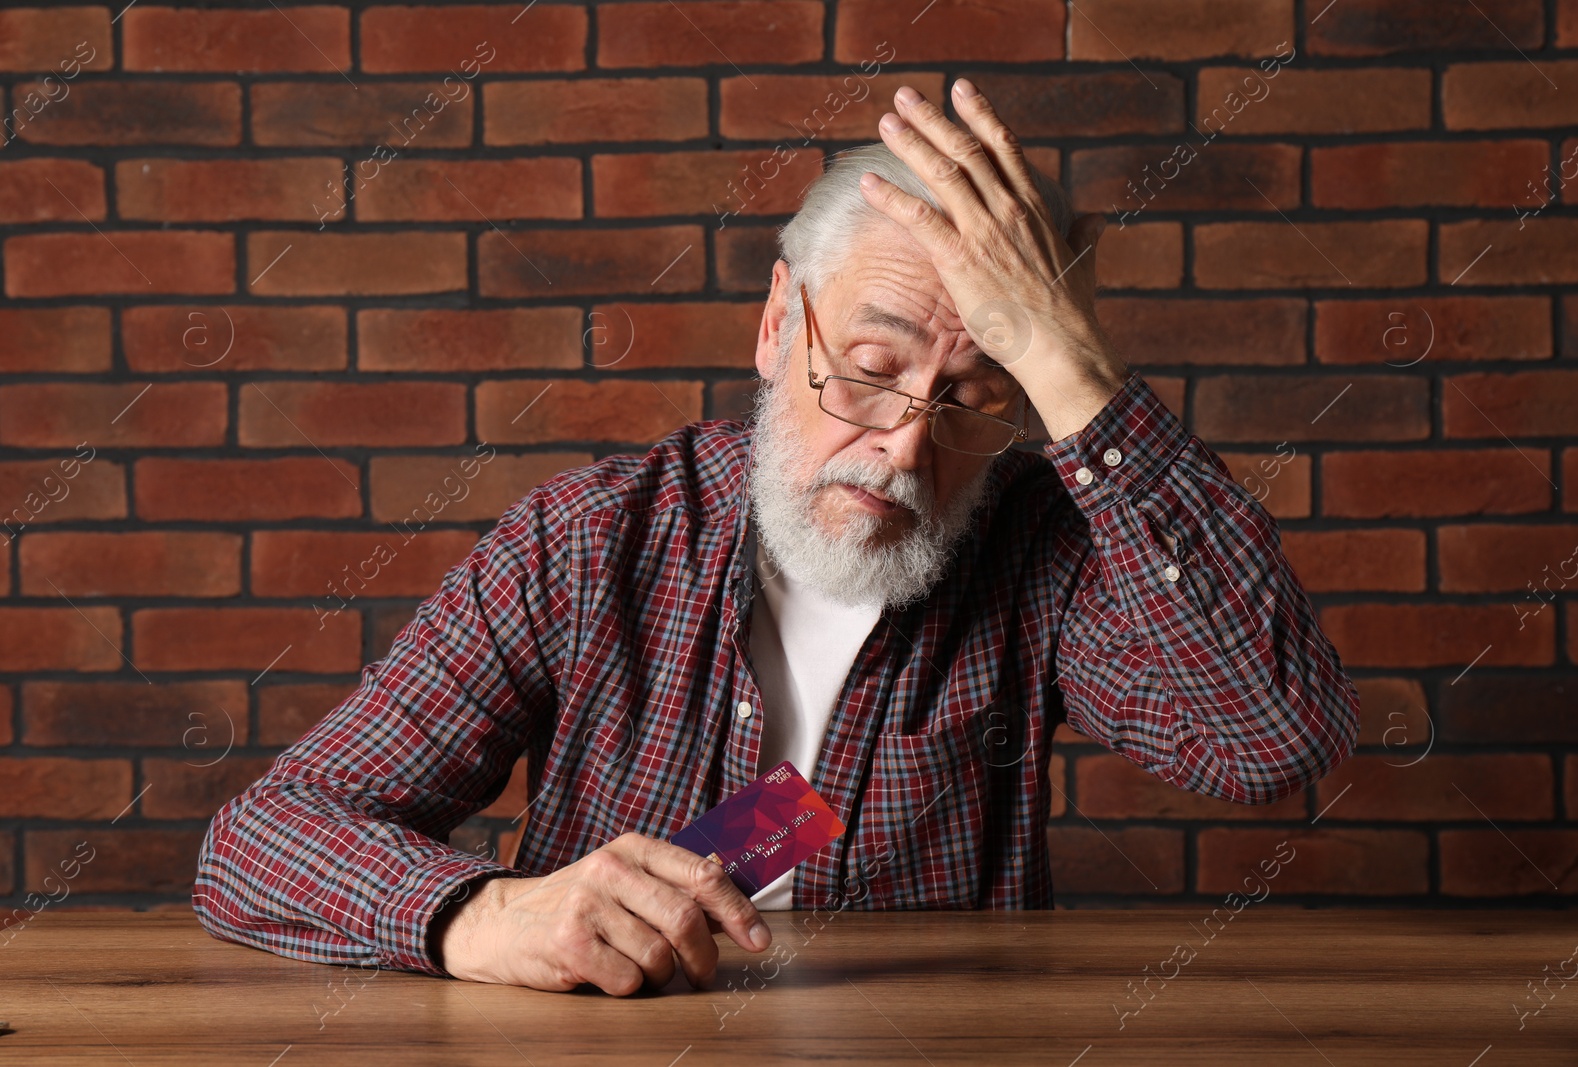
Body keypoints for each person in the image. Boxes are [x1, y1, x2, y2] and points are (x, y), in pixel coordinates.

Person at [193, 80, 1359, 996]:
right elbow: (262, 840)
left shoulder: (1041, 551)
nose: (906, 448)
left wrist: (1070, 368)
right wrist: (485, 916)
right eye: (867, 371)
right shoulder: (590, 540)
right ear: (772, 323)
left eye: (975, 392)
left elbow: (1270, 740)